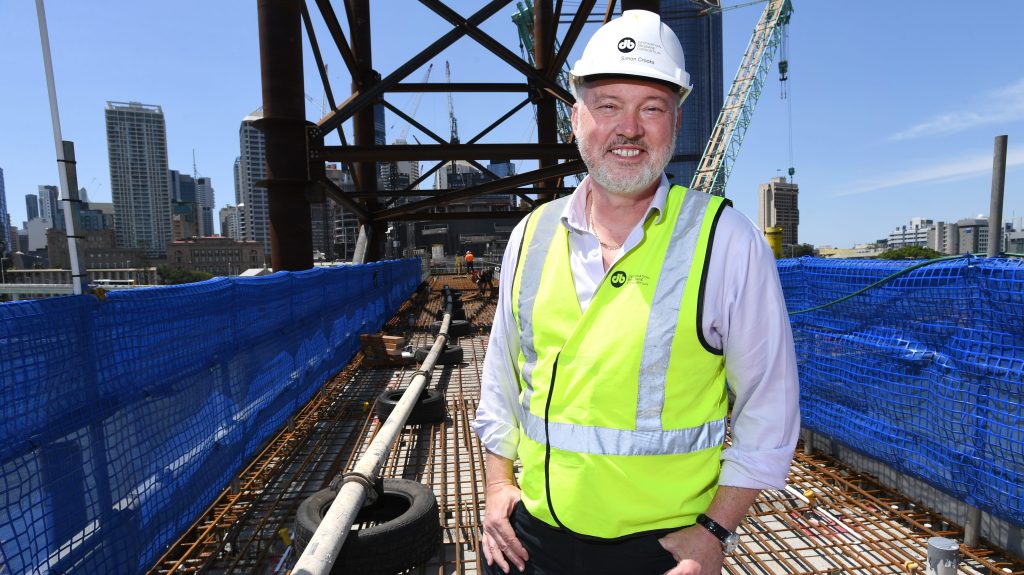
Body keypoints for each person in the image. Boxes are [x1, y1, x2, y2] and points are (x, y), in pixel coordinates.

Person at [472, 9, 800, 575]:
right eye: (608, 106)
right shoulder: (532, 233)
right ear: (576, 119)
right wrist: (497, 485)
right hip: (530, 540)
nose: (629, 129)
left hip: (663, 552)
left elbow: (769, 407)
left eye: (652, 108)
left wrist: (715, 532)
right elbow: (501, 377)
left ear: (676, 123)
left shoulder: (725, 240)